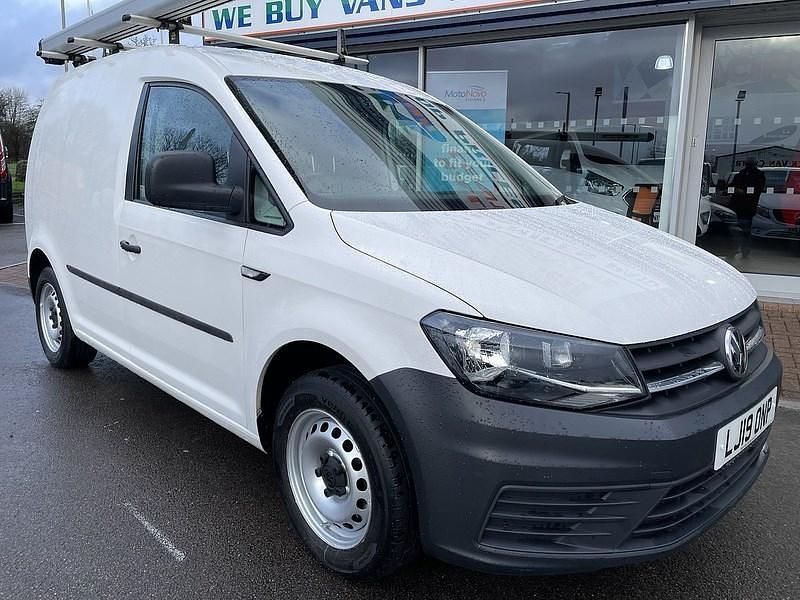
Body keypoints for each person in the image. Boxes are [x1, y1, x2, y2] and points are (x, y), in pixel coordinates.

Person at [729, 158, 766, 260]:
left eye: (750, 164)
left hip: (747, 207)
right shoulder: (740, 174)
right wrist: (735, 190)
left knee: (744, 231)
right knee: (736, 231)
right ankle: (734, 251)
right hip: (737, 207)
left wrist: (743, 191)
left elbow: (757, 190)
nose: (749, 166)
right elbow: (731, 187)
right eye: (748, 164)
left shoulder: (758, 176)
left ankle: (744, 252)